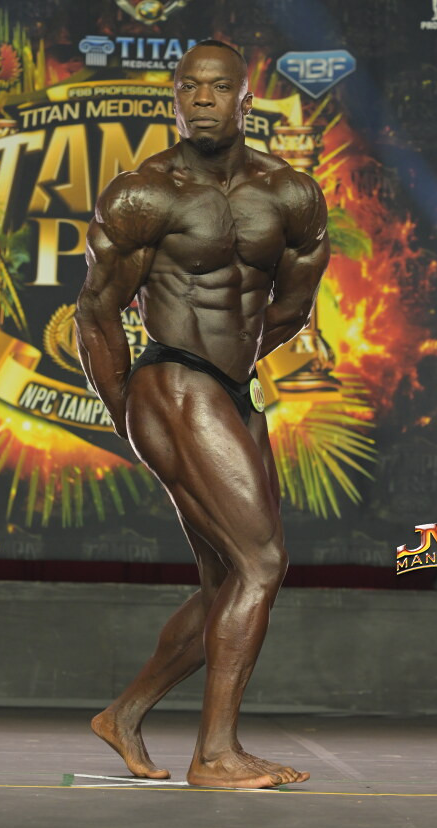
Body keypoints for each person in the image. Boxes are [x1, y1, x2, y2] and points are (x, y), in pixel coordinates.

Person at [74, 39, 330, 789]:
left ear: (246, 99)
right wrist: (130, 412)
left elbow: (291, 307)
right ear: (175, 99)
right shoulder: (144, 194)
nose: (204, 100)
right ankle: (215, 754)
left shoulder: (291, 194)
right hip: (172, 381)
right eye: (191, 88)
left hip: (231, 390)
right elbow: (97, 314)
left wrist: (233, 366)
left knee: (230, 583)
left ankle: (124, 714)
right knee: (263, 563)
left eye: (220, 88)